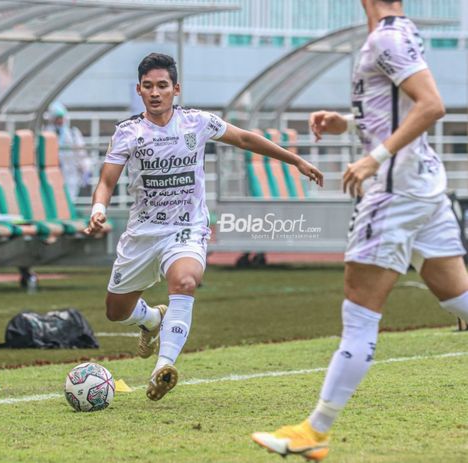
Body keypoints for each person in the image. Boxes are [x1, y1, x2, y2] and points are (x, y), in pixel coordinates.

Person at [252, 1, 468, 460]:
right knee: (458, 299)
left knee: (359, 315)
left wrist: (375, 157)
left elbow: (431, 106)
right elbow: (402, 107)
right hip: (423, 189)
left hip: (393, 194)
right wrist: (348, 123)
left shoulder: (386, 38)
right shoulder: (398, 31)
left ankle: (316, 431)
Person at [84, 53, 323, 401]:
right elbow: (107, 180)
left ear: (175, 89)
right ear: (139, 90)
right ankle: (152, 320)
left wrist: (296, 159)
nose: (155, 92)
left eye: (162, 86)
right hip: (142, 233)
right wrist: (98, 208)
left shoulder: (198, 122)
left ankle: (161, 369)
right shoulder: (128, 133)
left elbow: (244, 139)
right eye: (148, 86)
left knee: (185, 281)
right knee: (115, 311)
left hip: (187, 227)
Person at [47, 102, 93, 201]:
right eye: (57, 118)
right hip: (54, 173)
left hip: (72, 174)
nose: (59, 121)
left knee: (70, 200)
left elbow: (81, 153)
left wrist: (86, 169)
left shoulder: (73, 133)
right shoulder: (47, 134)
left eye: (61, 118)